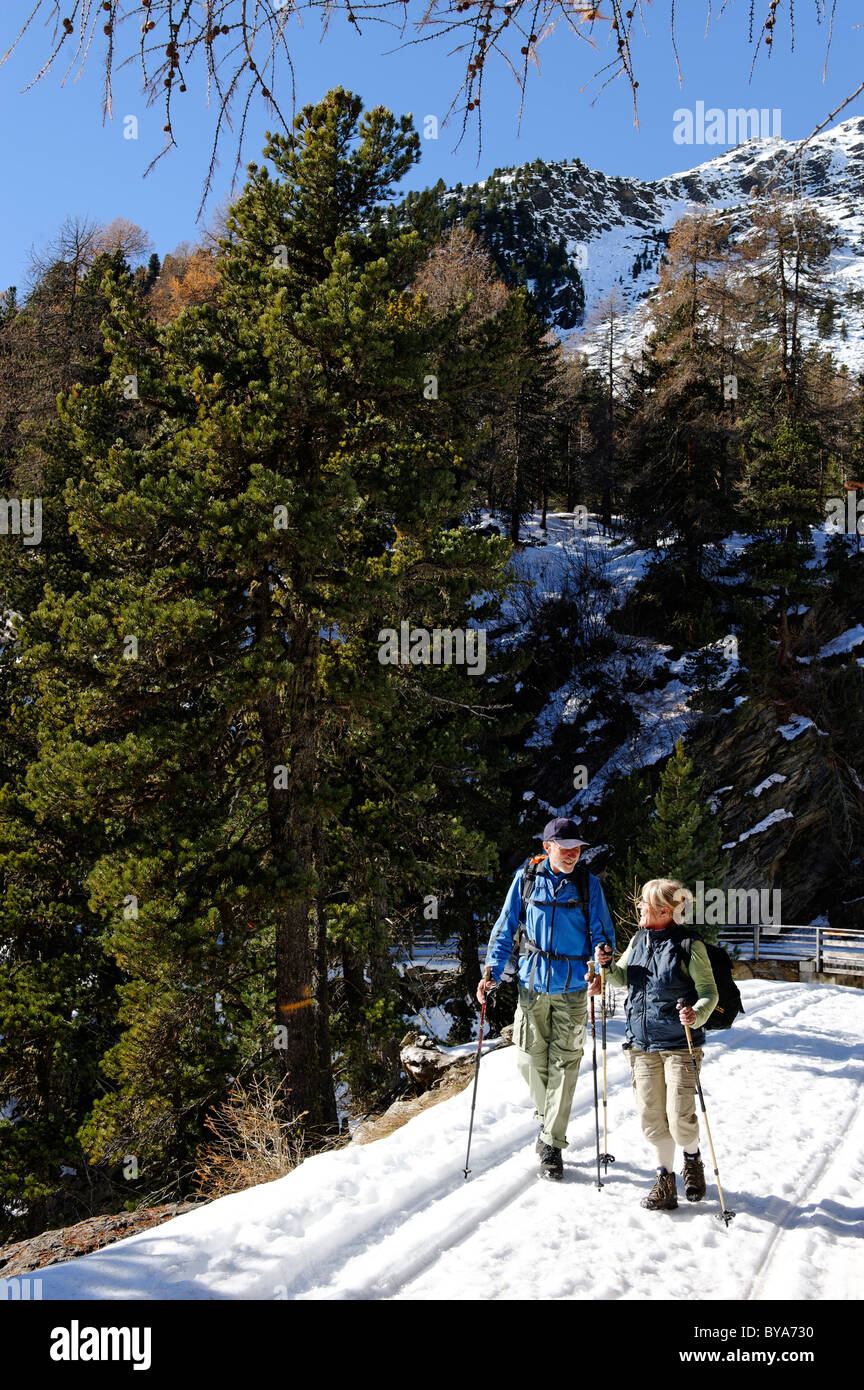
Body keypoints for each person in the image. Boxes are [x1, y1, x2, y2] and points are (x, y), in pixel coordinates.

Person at [478, 817, 615, 1181]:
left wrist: (602, 958)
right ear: (547, 848)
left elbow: (602, 933)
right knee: (527, 1060)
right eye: (565, 848)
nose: (572, 854)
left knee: (564, 1065)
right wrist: (490, 972)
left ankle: (552, 1144)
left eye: (577, 849)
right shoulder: (526, 880)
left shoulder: (589, 886)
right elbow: (506, 926)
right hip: (531, 985)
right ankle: (546, 1121)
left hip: (572, 990)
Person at [594, 878, 718, 1211]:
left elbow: (709, 994)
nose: (638, 908)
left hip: (680, 1045)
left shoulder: (689, 946)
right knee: (652, 1120)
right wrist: (606, 967)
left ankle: (691, 1160)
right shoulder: (638, 940)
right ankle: (665, 1181)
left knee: (680, 1118)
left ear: (664, 911)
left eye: (644, 904)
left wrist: (696, 1013)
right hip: (641, 1045)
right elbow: (621, 978)